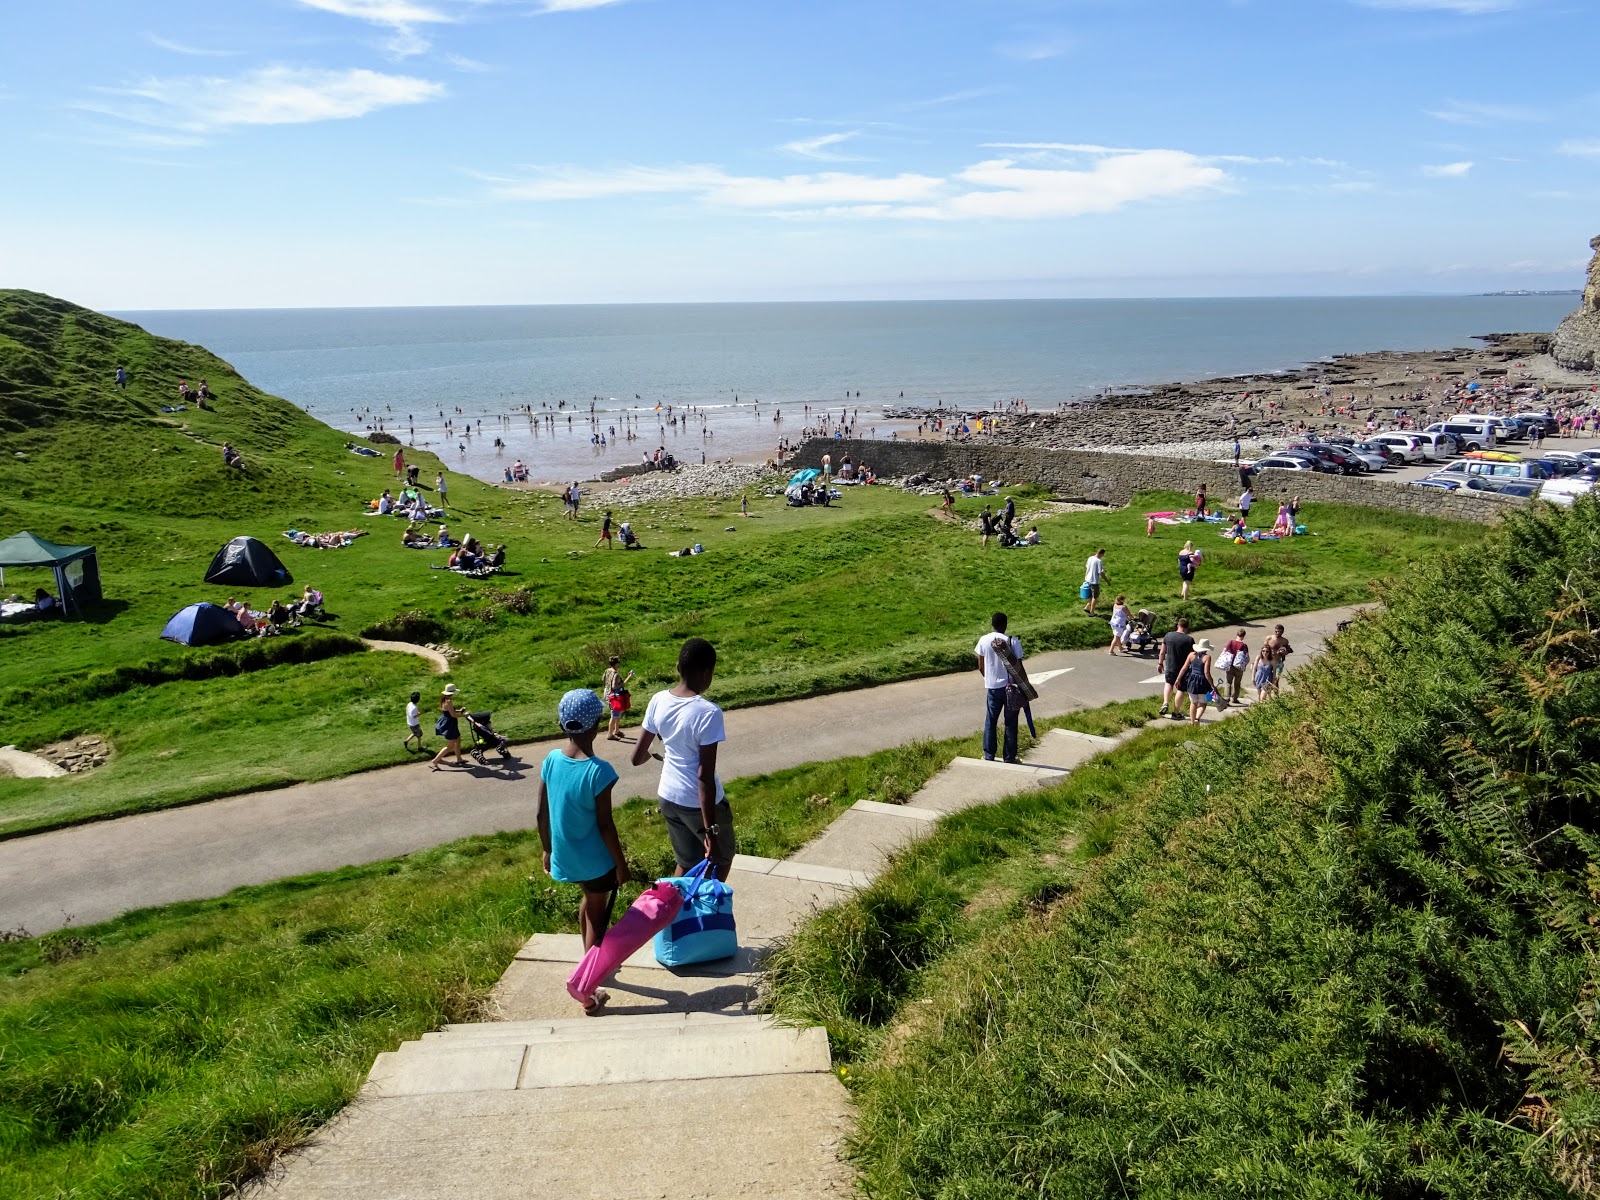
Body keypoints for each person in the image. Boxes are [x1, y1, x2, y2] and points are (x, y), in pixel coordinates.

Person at [538, 688, 631, 1016]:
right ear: (598, 725)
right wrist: (621, 865)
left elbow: (541, 813)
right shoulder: (599, 771)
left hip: (565, 855)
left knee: (589, 901)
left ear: (561, 723)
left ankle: (588, 962)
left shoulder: (551, 760)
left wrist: (547, 850)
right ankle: (589, 987)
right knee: (596, 910)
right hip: (594, 859)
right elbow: (606, 825)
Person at [632, 638, 734, 880]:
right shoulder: (709, 713)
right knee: (720, 859)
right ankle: (703, 913)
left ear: (678, 667)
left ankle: (673, 912)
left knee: (687, 862)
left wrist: (665, 744)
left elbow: (637, 757)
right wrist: (710, 831)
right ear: (707, 672)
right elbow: (704, 776)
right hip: (697, 803)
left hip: (668, 795)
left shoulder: (658, 699)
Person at [974, 612, 1024, 764]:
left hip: (992, 687)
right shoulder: (1012, 641)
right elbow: (1019, 667)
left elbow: (980, 665)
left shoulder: (983, 640)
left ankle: (988, 755)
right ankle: (1009, 757)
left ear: (992, 624)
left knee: (991, 720)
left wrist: (988, 677)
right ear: (1005, 625)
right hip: (1011, 688)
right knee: (1011, 722)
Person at [1158, 616, 1195, 719]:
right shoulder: (1189, 639)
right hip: (1183, 669)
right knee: (1181, 689)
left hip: (1170, 666)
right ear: (1187, 628)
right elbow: (1192, 655)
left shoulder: (1168, 636)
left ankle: (1165, 702)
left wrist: (1160, 664)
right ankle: (1176, 712)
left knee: (1168, 684)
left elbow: (1162, 652)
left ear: (1178, 625)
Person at [430, 683, 469, 770]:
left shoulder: (444, 700)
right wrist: (464, 715)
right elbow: (453, 715)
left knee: (458, 739)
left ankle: (459, 759)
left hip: (449, 723)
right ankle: (435, 760)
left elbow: (449, 711)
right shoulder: (449, 701)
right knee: (450, 746)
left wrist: (460, 710)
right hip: (450, 724)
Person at [1180, 637, 1215, 724]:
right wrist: (1212, 684)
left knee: (1193, 702)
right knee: (1203, 703)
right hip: (1202, 681)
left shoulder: (1191, 655)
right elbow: (1207, 673)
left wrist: (1178, 679)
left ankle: (1192, 722)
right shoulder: (1207, 657)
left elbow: (1184, 668)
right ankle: (1197, 718)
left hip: (1191, 680)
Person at [602, 655, 635, 741]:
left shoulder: (607, 671)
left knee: (617, 713)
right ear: (616, 664)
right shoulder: (615, 674)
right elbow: (615, 686)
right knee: (614, 715)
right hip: (615, 696)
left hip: (607, 693)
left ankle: (616, 731)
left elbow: (603, 679)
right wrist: (624, 682)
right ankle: (610, 734)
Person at [1263, 624, 1294, 693]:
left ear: (1282, 632)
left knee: (1276, 680)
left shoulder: (1285, 641)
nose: (1277, 633)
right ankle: (1266, 694)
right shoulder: (1269, 638)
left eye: (1279, 632)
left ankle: (1276, 696)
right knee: (1267, 679)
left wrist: (1284, 652)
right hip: (1269, 661)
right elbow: (1263, 650)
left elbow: (1287, 650)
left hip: (1278, 662)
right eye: (1276, 631)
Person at [1222, 629, 1249, 704]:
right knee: (1237, 683)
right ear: (1243, 636)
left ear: (1237, 634)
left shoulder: (1231, 642)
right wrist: (1245, 665)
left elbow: (1224, 650)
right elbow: (1247, 657)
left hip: (1230, 665)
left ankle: (1227, 698)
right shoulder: (1244, 645)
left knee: (1228, 682)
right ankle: (1234, 698)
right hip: (1239, 666)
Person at [1083, 548, 1106, 615]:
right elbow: (1101, 572)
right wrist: (1107, 581)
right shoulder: (1099, 561)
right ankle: (1092, 612)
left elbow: (1087, 567)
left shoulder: (1090, 558)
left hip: (1088, 579)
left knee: (1091, 595)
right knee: (1095, 597)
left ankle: (1087, 607)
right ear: (1102, 554)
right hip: (1094, 581)